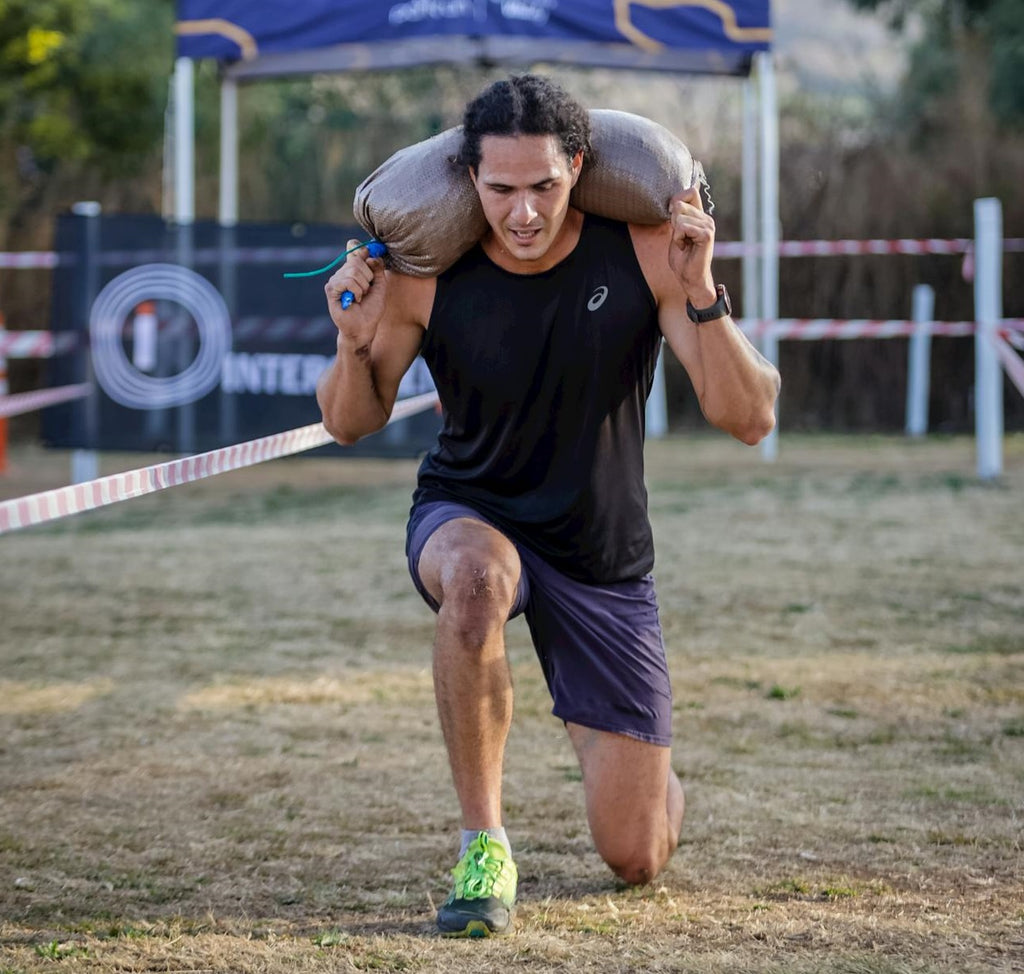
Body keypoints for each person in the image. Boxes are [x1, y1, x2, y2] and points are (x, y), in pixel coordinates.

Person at [316, 74, 781, 938]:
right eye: (500, 191)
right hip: (470, 507)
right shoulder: (429, 274)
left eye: (544, 187)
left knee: (636, 854)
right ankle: (483, 843)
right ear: (468, 181)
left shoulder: (645, 249)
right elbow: (349, 422)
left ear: (577, 168)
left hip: (599, 549)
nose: (523, 213)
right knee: (475, 582)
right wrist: (353, 345)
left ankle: (645, 763)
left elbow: (750, 418)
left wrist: (703, 290)